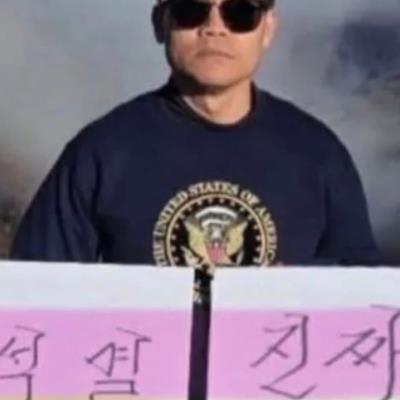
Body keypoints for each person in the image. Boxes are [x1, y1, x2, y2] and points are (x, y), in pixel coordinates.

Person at [11, 0, 381, 270]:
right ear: (160, 23)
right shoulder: (101, 152)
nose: (214, 28)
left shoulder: (319, 154)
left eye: (240, 13)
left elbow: (361, 290)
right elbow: (36, 286)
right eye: (191, 10)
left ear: (268, 28)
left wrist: (295, 286)